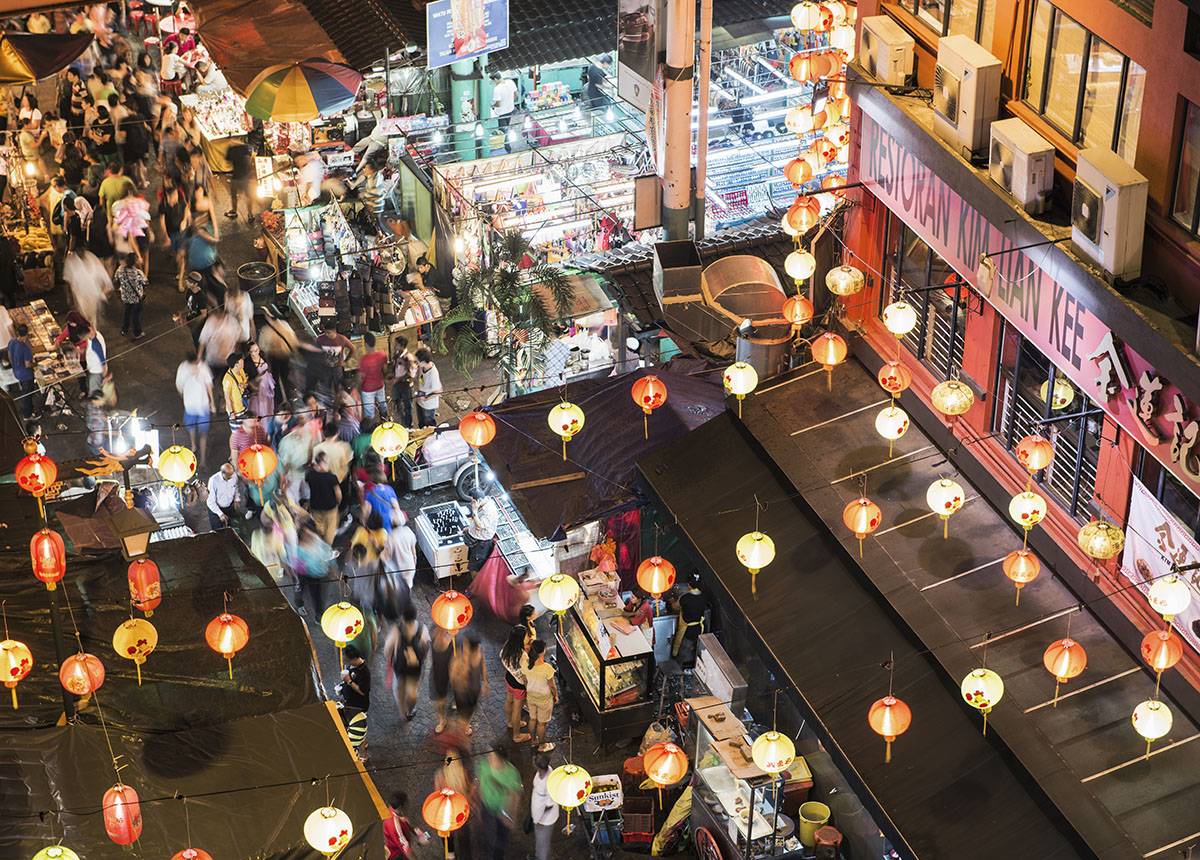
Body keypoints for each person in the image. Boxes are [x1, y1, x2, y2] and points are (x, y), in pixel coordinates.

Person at [476, 742, 522, 860]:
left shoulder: (511, 773)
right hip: (486, 806)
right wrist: (477, 801)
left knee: (500, 839)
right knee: (490, 834)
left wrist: (511, 815)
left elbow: (515, 795)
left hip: (502, 811)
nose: (489, 757)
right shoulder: (484, 765)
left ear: (501, 758)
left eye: (492, 755)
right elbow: (480, 782)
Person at [385, 603, 429, 720]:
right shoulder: (422, 629)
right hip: (415, 668)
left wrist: (389, 659)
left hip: (400, 667)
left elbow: (387, 649)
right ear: (415, 616)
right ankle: (409, 711)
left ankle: (402, 712)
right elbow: (426, 647)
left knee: (398, 687)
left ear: (403, 617)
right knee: (413, 693)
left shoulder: (397, 630)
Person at [176, 353, 213, 463]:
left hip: (202, 406)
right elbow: (180, 387)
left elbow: (209, 384)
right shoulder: (183, 369)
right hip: (191, 407)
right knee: (192, 429)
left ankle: (202, 458)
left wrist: (212, 403)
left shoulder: (203, 367)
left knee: (203, 433)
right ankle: (193, 445)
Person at [63, 246, 112, 326]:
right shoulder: (71, 261)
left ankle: (90, 334)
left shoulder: (92, 259)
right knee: (82, 322)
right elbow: (68, 281)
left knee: (90, 322)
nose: (80, 252)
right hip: (79, 299)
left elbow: (106, 281)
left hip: (92, 298)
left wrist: (101, 294)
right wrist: (70, 298)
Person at [449, 631, 487, 734]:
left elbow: (452, 675)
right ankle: (465, 726)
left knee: (463, 714)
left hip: (462, 693)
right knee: (469, 712)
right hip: (474, 690)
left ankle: (463, 729)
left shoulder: (460, 657)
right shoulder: (479, 652)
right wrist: (485, 683)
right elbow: (483, 667)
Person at [499, 625, 531, 743]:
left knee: (509, 700)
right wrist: (529, 688)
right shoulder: (522, 655)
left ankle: (510, 722)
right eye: (526, 636)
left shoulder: (506, 648)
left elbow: (503, 660)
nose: (528, 637)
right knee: (517, 709)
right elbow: (526, 675)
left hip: (509, 678)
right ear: (520, 639)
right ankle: (517, 735)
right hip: (519, 685)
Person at [524, 639, 557, 752]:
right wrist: (556, 696)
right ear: (542, 652)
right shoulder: (547, 668)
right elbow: (552, 686)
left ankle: (533, 741)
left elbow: (525, 680)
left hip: (531, 696)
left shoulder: (525, 664)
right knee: (542, 724)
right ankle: (542, 746)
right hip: (544, 699)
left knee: (532, 719)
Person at [304, 451, 341, 545]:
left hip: (315, 506)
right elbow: (338, 493)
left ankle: (319, 544)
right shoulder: (331, 477)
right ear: (322, 463)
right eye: (327, 462)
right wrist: (338, 502)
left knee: (318, 527)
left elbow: (308, 489)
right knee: (330, 529)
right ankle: (327, 548)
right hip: (330, 507)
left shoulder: (310, 475)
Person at [672, 571, 709, 664]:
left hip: (688, 629)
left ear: (689, 585)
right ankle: (693, 665)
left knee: (684, 650)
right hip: (700, 628)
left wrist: (672, 600)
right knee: (696, 650)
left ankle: (679, 666)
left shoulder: (686, 597)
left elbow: (675, 607)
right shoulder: (703, 596)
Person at [383, 792, 428, 860]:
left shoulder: (393, 809)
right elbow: (406, 850)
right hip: (396, 854)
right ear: (401, 807)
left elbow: (406, 821)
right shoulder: (396, 827)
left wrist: (419, 833)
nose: (409, 806)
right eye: (407, 804)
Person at [530, 754, 559, 860]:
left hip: (545, 819)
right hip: (538, 811)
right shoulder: (546, 770)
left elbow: (549, 805)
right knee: (539, 839)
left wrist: (539, 818)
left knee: (544, 843)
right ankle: (537, 855)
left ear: (538, 766)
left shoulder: (548, 782)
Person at [465, 486, 498, 573]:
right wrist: (469, 528)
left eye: (473, 501)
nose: (471, 503)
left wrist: (474, 511)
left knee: (475, 567)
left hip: (481, 543)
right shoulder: (482, 504)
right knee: (471, 560)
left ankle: (475, 584)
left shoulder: (489, 512)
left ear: (479, 500)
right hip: (475, 537)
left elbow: (479, 525)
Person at [429, 625, 455, 734]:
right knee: (439, 700)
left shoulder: (455, 635)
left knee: (456, 694)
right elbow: (438, 647)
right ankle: (441, 720)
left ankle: (455, 705)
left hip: (452, 673)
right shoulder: (434, 631)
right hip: (438, 672)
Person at [114, 253, 147, 339]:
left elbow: (116, 279)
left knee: (126, 313)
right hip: (136, 298)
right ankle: (137, 333)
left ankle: (124, 329)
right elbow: (146, 282)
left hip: (125, 297)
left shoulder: (120, 270)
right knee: (135, 316)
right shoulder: (138, 273)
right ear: (135, 262)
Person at [383, 510, 418, 590]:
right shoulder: (409, 531)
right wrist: (414, 564)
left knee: (397, 590)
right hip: (409, 566)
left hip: (398, 569)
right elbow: (414, 553)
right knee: (408, 587)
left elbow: (386, 558)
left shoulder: (390, 537)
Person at [8, 323, 36, 419]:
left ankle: (28, 409)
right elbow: (28, 364)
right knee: (27, 394)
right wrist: (36, 364)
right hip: (26, 375)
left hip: (17, 372)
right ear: (27, 334)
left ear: (17, 332)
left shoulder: (12, 342)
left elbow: (9, 355)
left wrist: (15, 366)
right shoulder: (25, 348)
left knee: (24, 391)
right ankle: (27, 415)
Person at [357, 332, 388, 419]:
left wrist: (357, 388)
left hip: (367, 390)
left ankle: (371, 428)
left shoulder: (363, 360)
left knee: (369, 412)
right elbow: (385, 370)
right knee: (383, 404)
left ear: (366, 344)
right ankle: (385, 421)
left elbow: (361, 377)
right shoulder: (382, 355)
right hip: (380, 385)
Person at [225, 138, 255, 221]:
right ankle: (250, 214)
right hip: (245, 176)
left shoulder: (232, 149)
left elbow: (227, 159)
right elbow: (251, 151)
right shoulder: (245, 147)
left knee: (234, 195)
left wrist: (230, 146)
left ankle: (234, 211)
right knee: (248, 196)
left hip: (236, 176)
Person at [338, 643, 371, 714]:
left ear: (355, 658)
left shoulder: (364, 672)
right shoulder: (352, 665)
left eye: (347, 660)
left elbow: (363, 692)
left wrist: (349, 681)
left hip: (358, 707)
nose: (346, 662)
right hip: (349, 703)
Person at [206, 461, 239, 530]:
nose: (232, 477)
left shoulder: (233, 476)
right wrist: (220, 514)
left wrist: (236, 499)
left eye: (232, 474)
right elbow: (210, 501)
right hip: (215, 509)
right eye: (229, 476)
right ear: (223, 473)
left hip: (229, 506)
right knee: (218, 531)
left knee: (233, 527)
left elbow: (236, 487)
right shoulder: (213, 481)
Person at [390, 336, 416, 426]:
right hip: (397, 385)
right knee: (397, 403)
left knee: (407, 406)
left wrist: (398, 379)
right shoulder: (397, 355)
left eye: (396, 344)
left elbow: (411, 374)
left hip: (406, 386)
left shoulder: (408, 357)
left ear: (401, 346)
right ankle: (401, 423)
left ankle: (409, 425)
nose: (394, 346)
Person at [490, 72, 518, 152]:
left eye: (493, 81)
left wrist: (492, 105)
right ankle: (506, 145)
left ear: (495, 79)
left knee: (503, 131)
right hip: (510, 109)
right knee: (506, 127)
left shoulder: (497, 89)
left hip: (501, 112)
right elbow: (516, 95)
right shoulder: (510, 82)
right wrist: (509, 101)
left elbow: (498, 104)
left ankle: (506, 147)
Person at [414, 347, 441, 427]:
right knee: (421, 425)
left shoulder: (433, 374)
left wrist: (425, 398)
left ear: (422, 362)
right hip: (420, 402)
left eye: (417, 361)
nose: (416, 363)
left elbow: (438, 392)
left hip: (428, 406)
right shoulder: (422, 367)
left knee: (429, 427)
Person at [222, 351, 248, 421]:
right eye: (241, 360)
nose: (243, 360)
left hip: (244, 404)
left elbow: (245, 383)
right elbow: (227, 397)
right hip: (236, 410)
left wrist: (244, 385)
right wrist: (231, 413)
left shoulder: (241, 370)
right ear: (236, 364)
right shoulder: (227, 380)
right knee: (238, 430)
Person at [84, 323, 108, 397]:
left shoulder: (95, 344)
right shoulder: (96, 335)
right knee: (93, 390)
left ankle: (94, 407)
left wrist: (105, 370)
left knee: (94, 393)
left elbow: (102, 358)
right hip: (94, 370)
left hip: (96, 371)